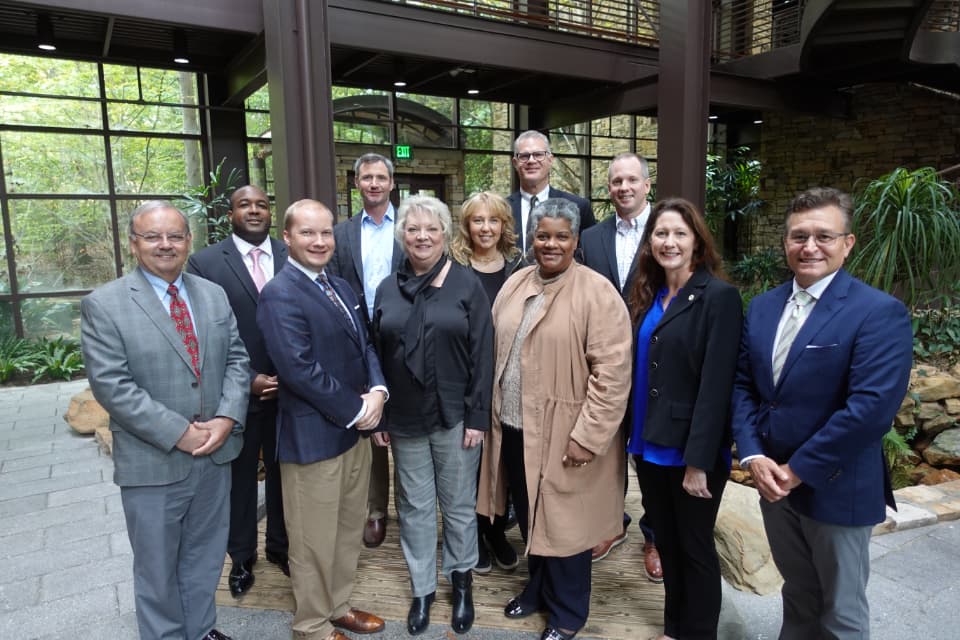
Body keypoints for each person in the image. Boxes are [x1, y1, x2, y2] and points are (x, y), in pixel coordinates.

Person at [732, 187, 913, 640]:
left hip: (837, 488)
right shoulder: (763, 307)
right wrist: (754, 456)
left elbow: (871, 410)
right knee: (798, 597)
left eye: (823, 236)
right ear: (785, 243)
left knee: (841, 615)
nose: (809, 247)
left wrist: (797, 470)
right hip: (774, 484)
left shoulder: (878, 312)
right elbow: (743, 387)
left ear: (847, 243)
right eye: (798, 236)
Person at [80, 200, 249, 640]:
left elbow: (236, 359)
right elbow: (113, 386)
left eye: (175, 235)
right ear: (134, 244)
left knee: (205, 555)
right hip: (153, 461)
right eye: (153, 236)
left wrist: (227, 418)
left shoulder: (212, 294)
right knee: (157, 568)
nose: (165, 244)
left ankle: (201, 629)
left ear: (189, 241)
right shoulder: (105, 304)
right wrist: (179, 433)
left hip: (215, 453)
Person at [478, 198, 632, 640]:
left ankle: (567, 614)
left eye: (561, 236)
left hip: (565, 434)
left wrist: (589, 436)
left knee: (567, 525)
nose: (550, 244)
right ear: (531, 239)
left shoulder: (596, 292)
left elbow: (613, 373)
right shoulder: (516, 282)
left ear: (576, 240)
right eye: (542, 235)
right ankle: (539, 589)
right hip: (514, 430)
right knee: (530, 517)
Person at [257, 199, 387, 640]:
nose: (319, 241)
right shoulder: (281, 293)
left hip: (352, 437)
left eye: (326, 232)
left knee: (348, 530)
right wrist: (358, 410)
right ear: (287, 237)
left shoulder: (340, 286)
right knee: (312, 541)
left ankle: (338, 606)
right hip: (312, 439)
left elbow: (366, 344)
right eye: (308, 233)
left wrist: (378, 391)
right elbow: (298, 370)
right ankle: (311, 627)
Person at [372, 195, 493, 636]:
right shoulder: (388, 288)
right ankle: (422, 589)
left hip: (455, 415)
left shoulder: (466, 285)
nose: (421, 236)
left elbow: (484, 355)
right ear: (402, 235)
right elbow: (377, 353)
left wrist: (478, 416)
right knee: (414, 506)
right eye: (412, 229)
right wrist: (379, 415)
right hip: (403, 417)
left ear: (445, 234)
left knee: (459, 506)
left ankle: (462, 583)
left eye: (431, 229)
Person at [626, 197, 743, 640]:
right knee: (668, 545)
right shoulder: (647, 293)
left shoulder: (719, 297)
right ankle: (674, 629)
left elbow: (717, 386)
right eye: (660, 233)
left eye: (679, 233)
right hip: (648, 443)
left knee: (695, 549)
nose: (669, 241)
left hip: (691, 451)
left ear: (697, 241)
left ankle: (699, 634)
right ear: (649, 241)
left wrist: (698, 461)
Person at [187, 184, 290, 597]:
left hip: (290, 393)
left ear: (271, 212)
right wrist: (248, 379)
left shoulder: (291, 254)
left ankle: (282, 548)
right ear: (230, 214)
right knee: (241, 479)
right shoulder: (205, 263)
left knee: (287, 476)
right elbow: (201, 334)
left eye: (262, 204)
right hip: (236, 394)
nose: (254, 210)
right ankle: (242, 556)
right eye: (244, 205)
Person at [579, 153, 662, 580]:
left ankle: (654, 534)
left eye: (632, 180)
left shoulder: (666, 232)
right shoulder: (591, 238)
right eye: (616, 181)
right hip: (604, 365)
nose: (623, 187)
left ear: (648, 185)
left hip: (654, 363)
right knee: (606, 451)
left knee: (649, 453)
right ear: (608, 188)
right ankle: (611, 524)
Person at [327, 152, 403, 549]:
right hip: (358, 338)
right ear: (356, 183)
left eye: (380, 177)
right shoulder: (341, 234)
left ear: (391, 183)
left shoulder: (410, 228)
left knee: (404, 421)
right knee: (369, 420)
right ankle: (375, 510)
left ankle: (410, 506)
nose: (373, 184)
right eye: (366, 177)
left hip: (403, 337)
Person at [450, 190, 522, 575]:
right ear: (466, 226)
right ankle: (472, 534)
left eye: (493, 220)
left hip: (510, 380)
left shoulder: (519, 266)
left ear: (503, 225)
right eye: (478, 220)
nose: (485, 228)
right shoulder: (452, 268)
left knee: (503, 462)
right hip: (465, 381)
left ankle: (496, 531)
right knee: (469, 463)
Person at [506, 130, 596, 253]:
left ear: (550, 160)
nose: (531, 160)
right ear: (515, 163)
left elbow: (589, 254)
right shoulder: (503, 209)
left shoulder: (579, 207)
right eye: (524, 156)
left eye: (538, 154)